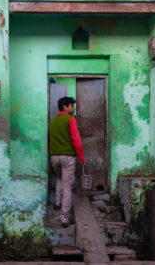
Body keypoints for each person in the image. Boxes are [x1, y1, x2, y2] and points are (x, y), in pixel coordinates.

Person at [49, 96, 86, 228]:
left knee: (59, 177)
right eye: (71, 106)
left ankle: (57, 202)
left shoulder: (52, 122)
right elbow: (76, 140)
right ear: (65, 107)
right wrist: (82, 157)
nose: (73, 108)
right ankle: (64, 218)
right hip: (68, 157)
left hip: (54, 157)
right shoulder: (71, 119)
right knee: (67, 187)